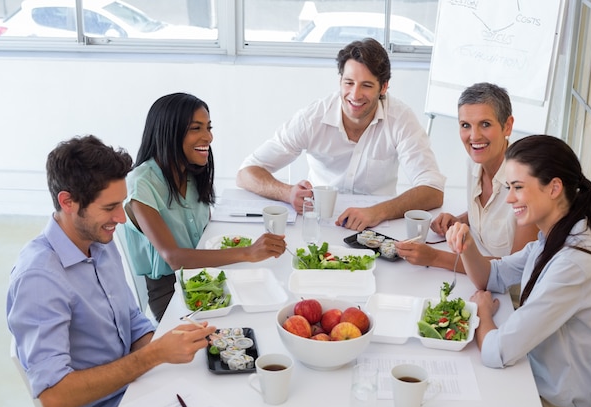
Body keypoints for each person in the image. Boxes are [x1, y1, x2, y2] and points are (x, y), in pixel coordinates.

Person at [6, 136, 216, 407]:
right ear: (67, 202)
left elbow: (132, 322)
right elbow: (54, 398)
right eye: (109, 208)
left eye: (121, 204)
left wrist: (172, 342)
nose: (121, 218)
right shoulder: (39, 279)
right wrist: (154, 355)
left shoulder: (99, 243)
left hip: (139, 390)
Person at [446, 135, 591, 407]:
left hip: (551, 406)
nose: (509, 198)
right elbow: (492, 276)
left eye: (517, 188)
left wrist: (483, 314)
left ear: (553, 188)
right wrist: (466, 245)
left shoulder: (573, 264)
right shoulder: (553, 237)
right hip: (526, 378)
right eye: (508, 187)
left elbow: (497, 350)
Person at [236, 38, 445, 231]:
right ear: (340, 81)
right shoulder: (313, 118)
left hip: (378, 227)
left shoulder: (401, 119)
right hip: (319, 224)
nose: (355, 94)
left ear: (384, 87)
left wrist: (377, 212)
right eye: (349, 82)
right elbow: (246, 173)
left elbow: (433, 189)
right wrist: (287, 193)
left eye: (366, 85)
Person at [124, 92, 286, 322]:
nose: (208, 137)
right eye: (196, 128)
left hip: (205, 274)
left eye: (208, 128)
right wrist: (248, 253)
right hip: (170, 290)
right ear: (169, 131)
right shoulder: (141, 183)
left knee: (272, 302)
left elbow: (205, 231)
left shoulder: (191, 172)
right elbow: (174, 258)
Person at [395, 83, 538, 275]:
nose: (474, 136)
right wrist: (461, 219)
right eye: (465, 125)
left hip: (510, 298)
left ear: (508, 126)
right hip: (478, 277)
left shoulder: (526, 186)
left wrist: (435, 257)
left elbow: (517, 269)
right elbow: (493, 216)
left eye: (485, 124)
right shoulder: (475, 162)